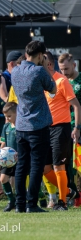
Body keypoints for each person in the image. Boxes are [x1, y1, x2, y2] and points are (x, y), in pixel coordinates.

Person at [11, 41, 56, 213]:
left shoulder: (15, 71)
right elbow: (53, 89)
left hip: (21, 125)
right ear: (40, 55)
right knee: (37, 165)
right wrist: (45, 67)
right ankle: (32, 204)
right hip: (38, 126)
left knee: (22, 165)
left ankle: (20, 205)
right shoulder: (38, 71)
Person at [57, 53, 81, 207]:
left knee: (79, 162)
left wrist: (78, 126)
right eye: (61, 69)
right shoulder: (61, 81)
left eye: (66, 69)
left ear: (74, 65)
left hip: (78, 127)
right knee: (66, 163)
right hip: (65, 126)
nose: (64, 72)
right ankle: (74, 195)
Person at [0, 102, 18, 212]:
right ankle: (11, 200)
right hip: (7, 160)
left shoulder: (20, 127)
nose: (7, 118)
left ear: (17, 113)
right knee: (3, 179)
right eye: (6, 116)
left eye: (9, 116)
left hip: (18, 158)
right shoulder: (6, 127)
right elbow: (4, 142)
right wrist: (0, 152)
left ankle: (40, 196)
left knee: (22, 181)